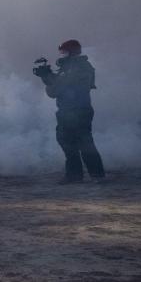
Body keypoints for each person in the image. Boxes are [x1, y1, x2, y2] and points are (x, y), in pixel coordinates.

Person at [38, 40, 105, 183]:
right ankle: (78, 176)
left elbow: (56, 89)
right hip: (70, 111)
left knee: (83, 143)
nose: (62, 55)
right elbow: (58, 85)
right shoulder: (73, 67)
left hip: (77, 111)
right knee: (69, 143)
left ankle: (94, 176)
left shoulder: (78, 68)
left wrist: (47, 77)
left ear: (72, 52)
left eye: (64, 52)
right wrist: (48, 76)